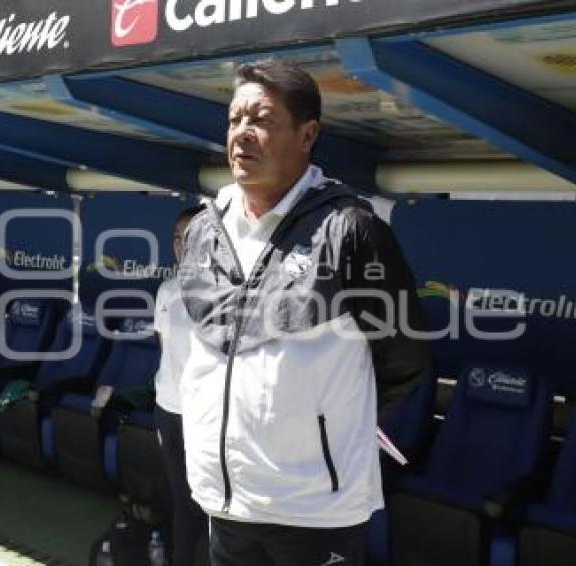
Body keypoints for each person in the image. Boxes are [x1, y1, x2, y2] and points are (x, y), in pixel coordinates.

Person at [177, 59, 430, 565]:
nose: (241, 134)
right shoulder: (204, 229)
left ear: (307, 134)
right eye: (234, 119)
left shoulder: (351, 230)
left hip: (313, 508)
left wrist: (330, 425)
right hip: (224, 498)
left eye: (261, 120)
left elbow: (404, 358)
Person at [153, 205, 208, 565]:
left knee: (210, 504)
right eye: (177, 238)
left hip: (206, 417)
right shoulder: (166, 291)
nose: (181, 245)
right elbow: (165, 349)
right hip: (168, 410)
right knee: (180, 499)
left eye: (189, 238)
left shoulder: (226, 297)